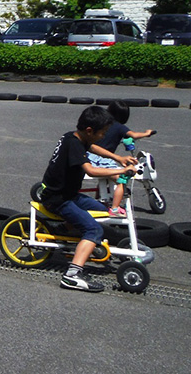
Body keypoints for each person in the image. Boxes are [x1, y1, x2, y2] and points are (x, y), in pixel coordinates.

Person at [40, 105, 138, 293]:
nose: (104, 136)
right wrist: (121, 170)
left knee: (103, 211)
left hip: (69, 195)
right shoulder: (74, 144)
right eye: (103, 133)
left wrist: (118, 157)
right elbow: (91, 170)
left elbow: (93, 147)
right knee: (93, 229)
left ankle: (65, 229)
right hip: (58, 199)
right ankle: (72, 276)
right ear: (89, 130)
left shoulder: (73, 136)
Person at [87, 100, 155, 216]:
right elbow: (134, 135)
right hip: (103, 159)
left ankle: (101, 202)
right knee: (121, 180)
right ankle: (115, 208)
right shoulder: (119, 127)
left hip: (89, 156)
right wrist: (147, 133)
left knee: (104, 176)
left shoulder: (101, 123)